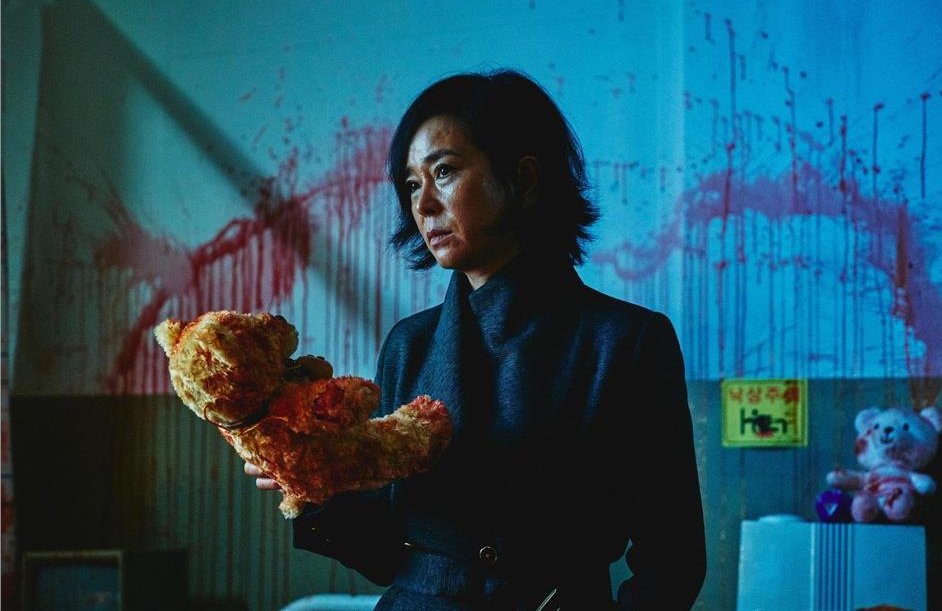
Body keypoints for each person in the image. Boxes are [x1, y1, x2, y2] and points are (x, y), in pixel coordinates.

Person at [247, 70, 706, 610]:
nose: (423, 205)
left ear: (524, 178)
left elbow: (672, 559)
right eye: (411, 184)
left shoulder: (625, 341)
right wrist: (309, 483)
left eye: (443, 171)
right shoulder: (409, 344)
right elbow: (385, 554)